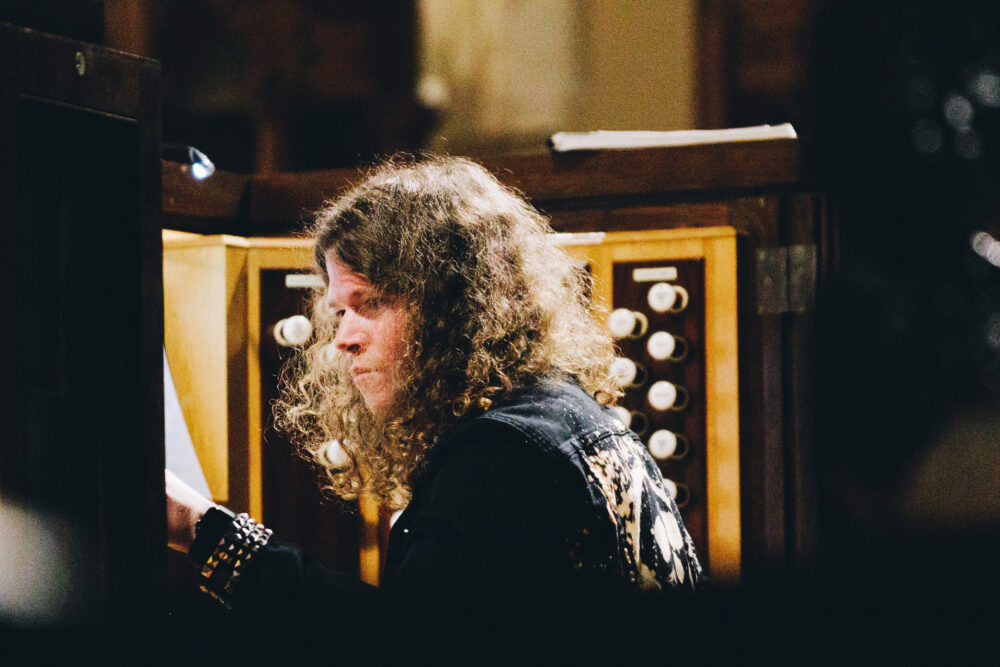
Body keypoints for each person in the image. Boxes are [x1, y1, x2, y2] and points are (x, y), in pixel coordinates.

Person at [166, 155, 702, 659]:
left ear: (452, 304)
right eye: (340, 310)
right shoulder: (564, 412)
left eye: (371, 303)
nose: (343, 338)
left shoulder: (501, 458)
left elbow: (395, 647)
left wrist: (204, 530)